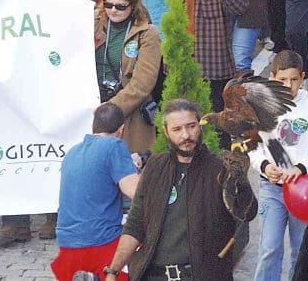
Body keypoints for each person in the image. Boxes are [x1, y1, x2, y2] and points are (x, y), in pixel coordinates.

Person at [102, 99, 255, 280]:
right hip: (154, 275)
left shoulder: (220, 168)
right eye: (177, 129)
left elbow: (247, 213)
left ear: (200, 126)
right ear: (166, 132)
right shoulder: (155, 166)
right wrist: (113, 270)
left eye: (191, 126)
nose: (186, 135)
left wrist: (240, 181)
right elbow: (135, 224)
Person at [250, 50, 308, 281]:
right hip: (272, 189)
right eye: (282, 80)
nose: (288, 85)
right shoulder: (262, 107)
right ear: (272, 77)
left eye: (294, 79)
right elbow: (253, 147)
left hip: (305, 192)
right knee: (269, 249)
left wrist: (301, 168)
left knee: (303, 251)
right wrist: (265, 166)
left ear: (303, 77)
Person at [51, 102, 141, 280]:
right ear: (121, 130)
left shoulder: (72, 152)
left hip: (67, 245)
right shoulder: (114, 146)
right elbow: (135, 191)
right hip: (101, 244)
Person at [93, 0, 163, 153]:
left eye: (120, 6)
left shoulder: (147, 33)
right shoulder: (92, 23)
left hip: (128, 112)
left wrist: (110, 110)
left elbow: (143, 83)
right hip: (93, 104)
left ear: (133, 6)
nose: (113, 10)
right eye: (108, 5)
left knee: (127, 169)